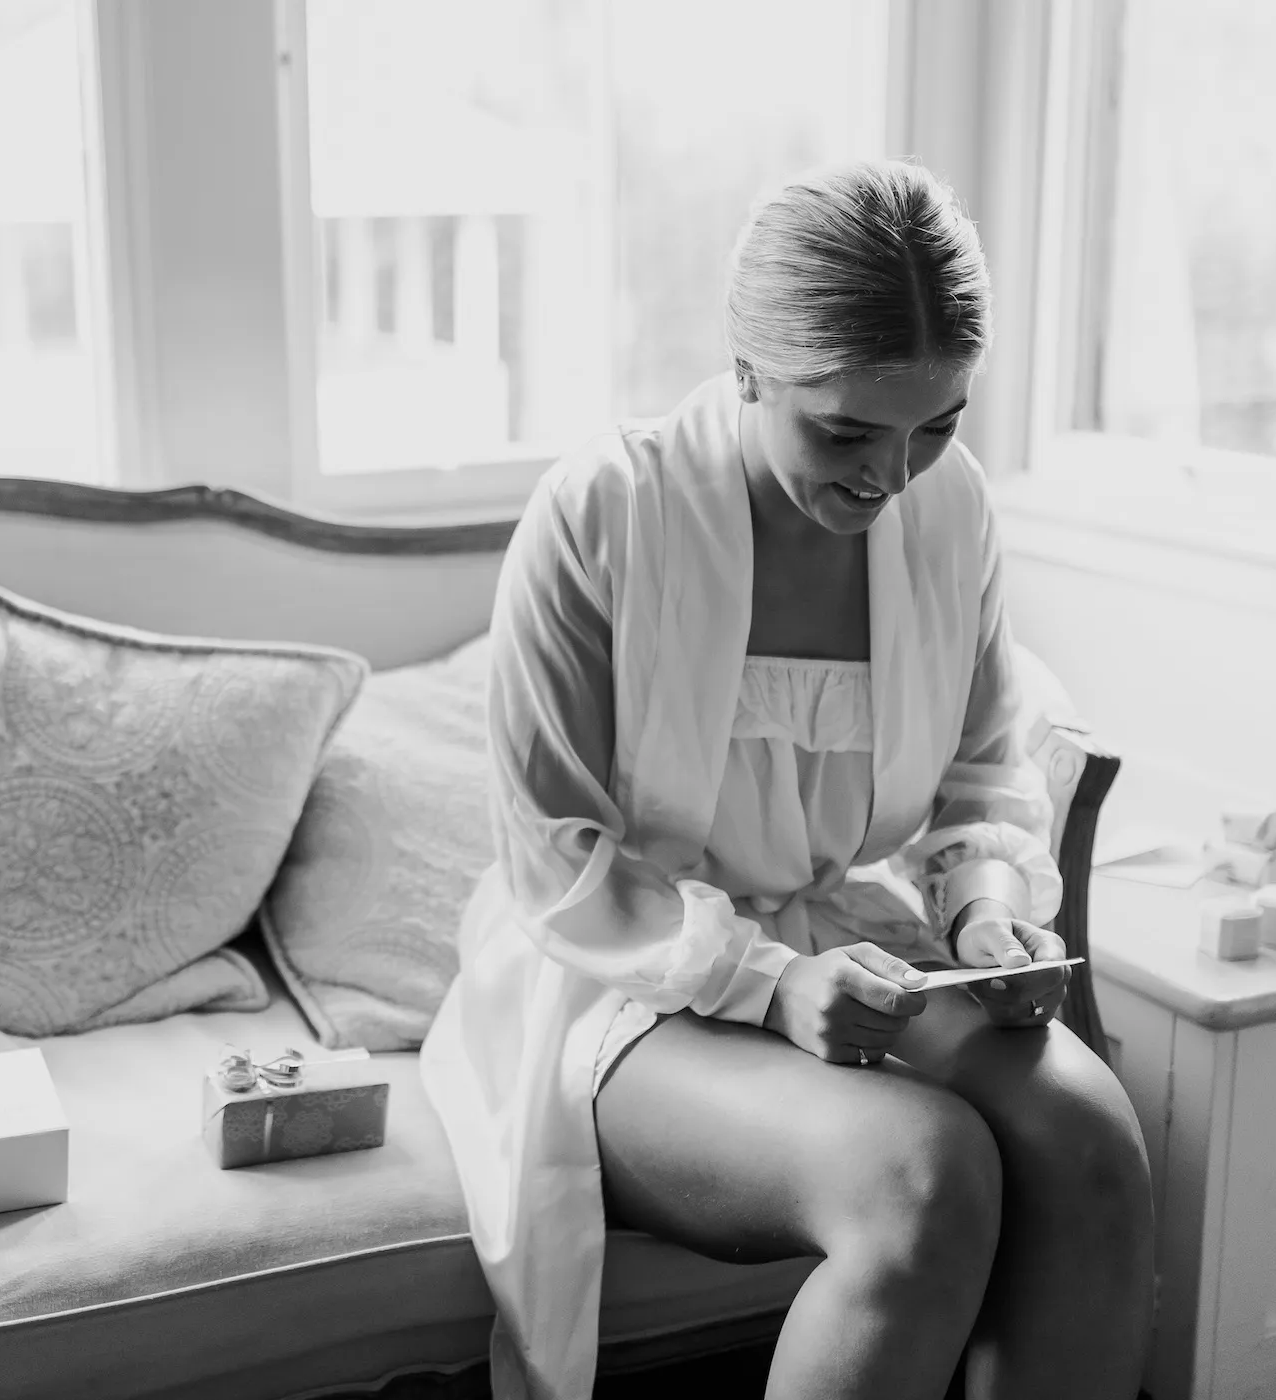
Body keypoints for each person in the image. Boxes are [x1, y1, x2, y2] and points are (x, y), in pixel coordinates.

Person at [418, 159, 1155, 1400]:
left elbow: (981, 770)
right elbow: (557, 857)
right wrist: (769, 986)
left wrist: (982, 908)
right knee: (923, 1172)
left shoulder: (949, 509)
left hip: (832, 940)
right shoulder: (604, 513)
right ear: (748, 368)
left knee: (1091, 1138)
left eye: (936, 425)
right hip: (617, 979)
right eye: (845, 429)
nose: (891, 476)